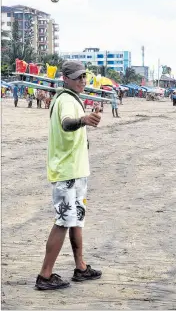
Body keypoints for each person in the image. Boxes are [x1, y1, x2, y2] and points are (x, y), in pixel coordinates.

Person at [35, 60, 102, 291]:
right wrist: (83, 120)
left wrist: (84, 120)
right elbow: (66, 124)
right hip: (66, 172)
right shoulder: (64, 100)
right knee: (63, 221)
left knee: (76, 219)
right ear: (65, 78)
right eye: (77, 77)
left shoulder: (72, 98)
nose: (82, 80)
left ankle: (80, 267)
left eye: (84, 76)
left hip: (76, 170)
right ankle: (44, 275)